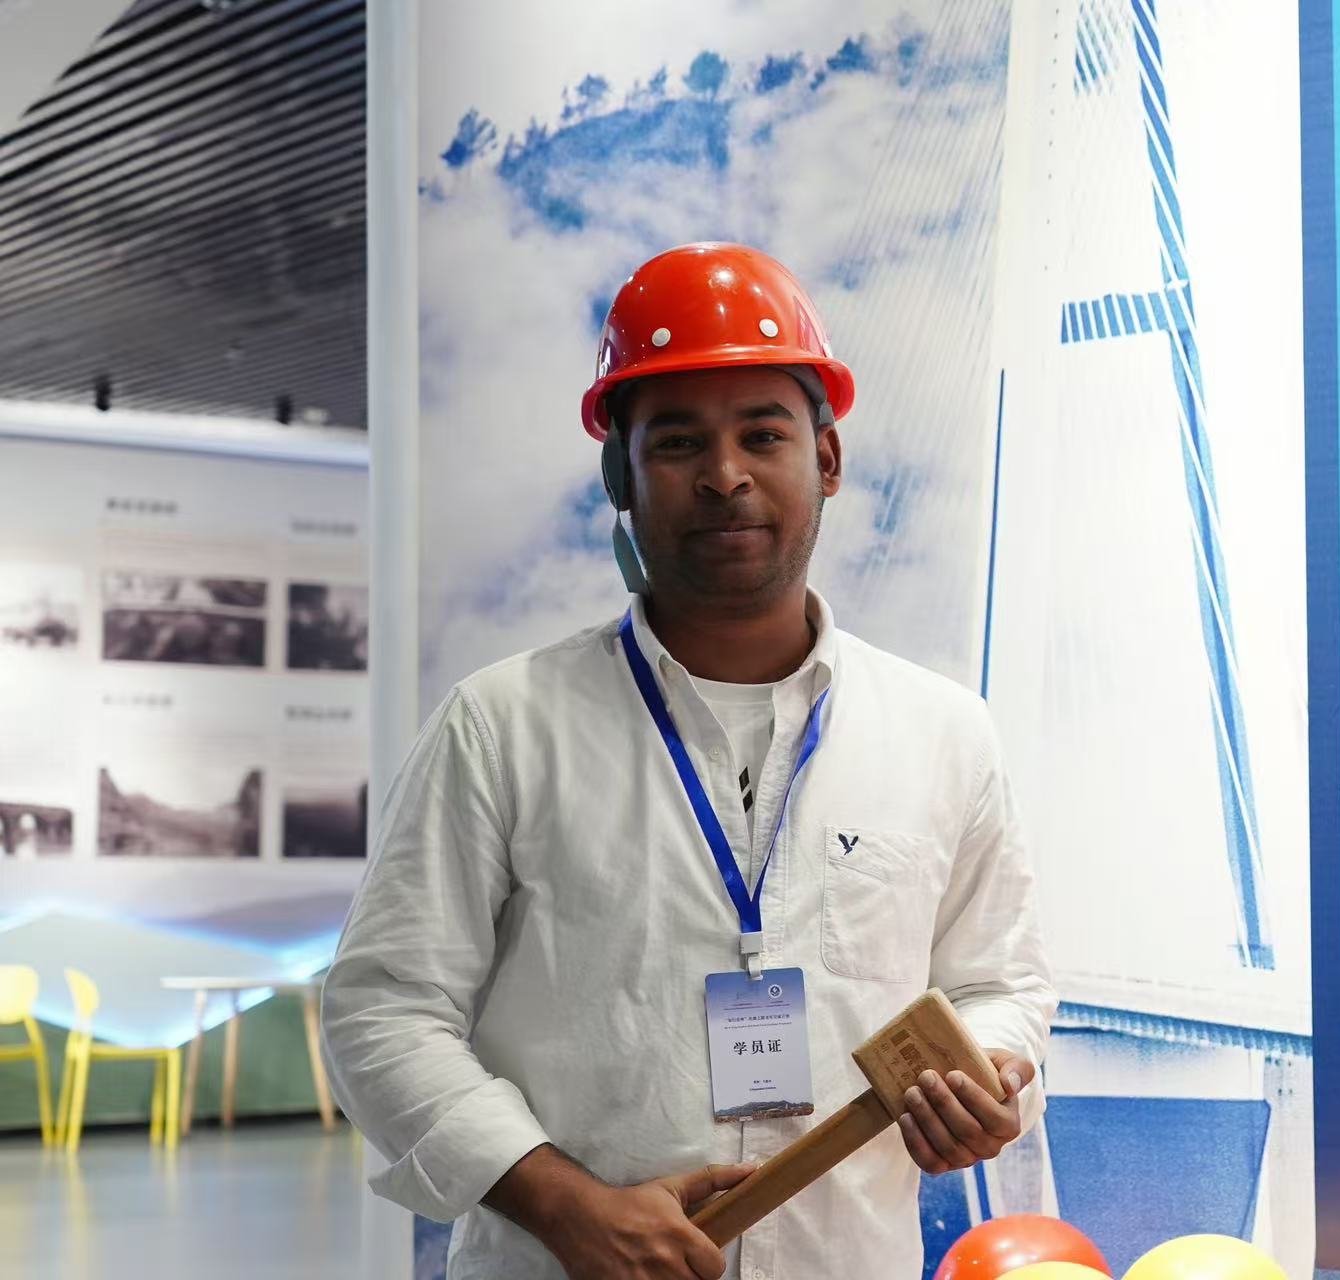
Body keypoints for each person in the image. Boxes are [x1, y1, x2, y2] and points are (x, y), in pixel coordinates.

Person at [324, 243, 1056, 1280]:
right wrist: (564, 1205)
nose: (724, 475)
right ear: (619, 476)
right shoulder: (501, 727)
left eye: (764, 433)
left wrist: (988, 1071)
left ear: (827, 459)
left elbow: (998, 979)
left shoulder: (943, 733)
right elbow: (383, 1008)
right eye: (676, 442)